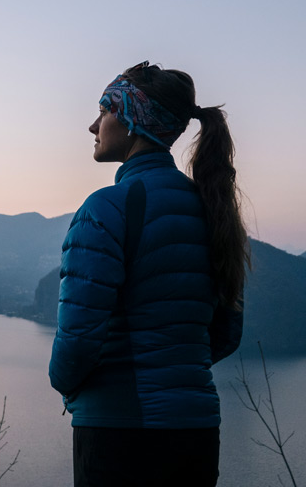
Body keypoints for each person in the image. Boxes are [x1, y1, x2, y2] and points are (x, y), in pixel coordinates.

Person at [48, 61, 248, 487]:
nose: (92, 125)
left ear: (133, 119)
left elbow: (77, 340)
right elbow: (227, 332)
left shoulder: (107, 208)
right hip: (196, 434)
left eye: (104, 109)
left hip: (119, 435)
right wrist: (171, 370)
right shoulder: (214, 212)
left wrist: (68, 386)